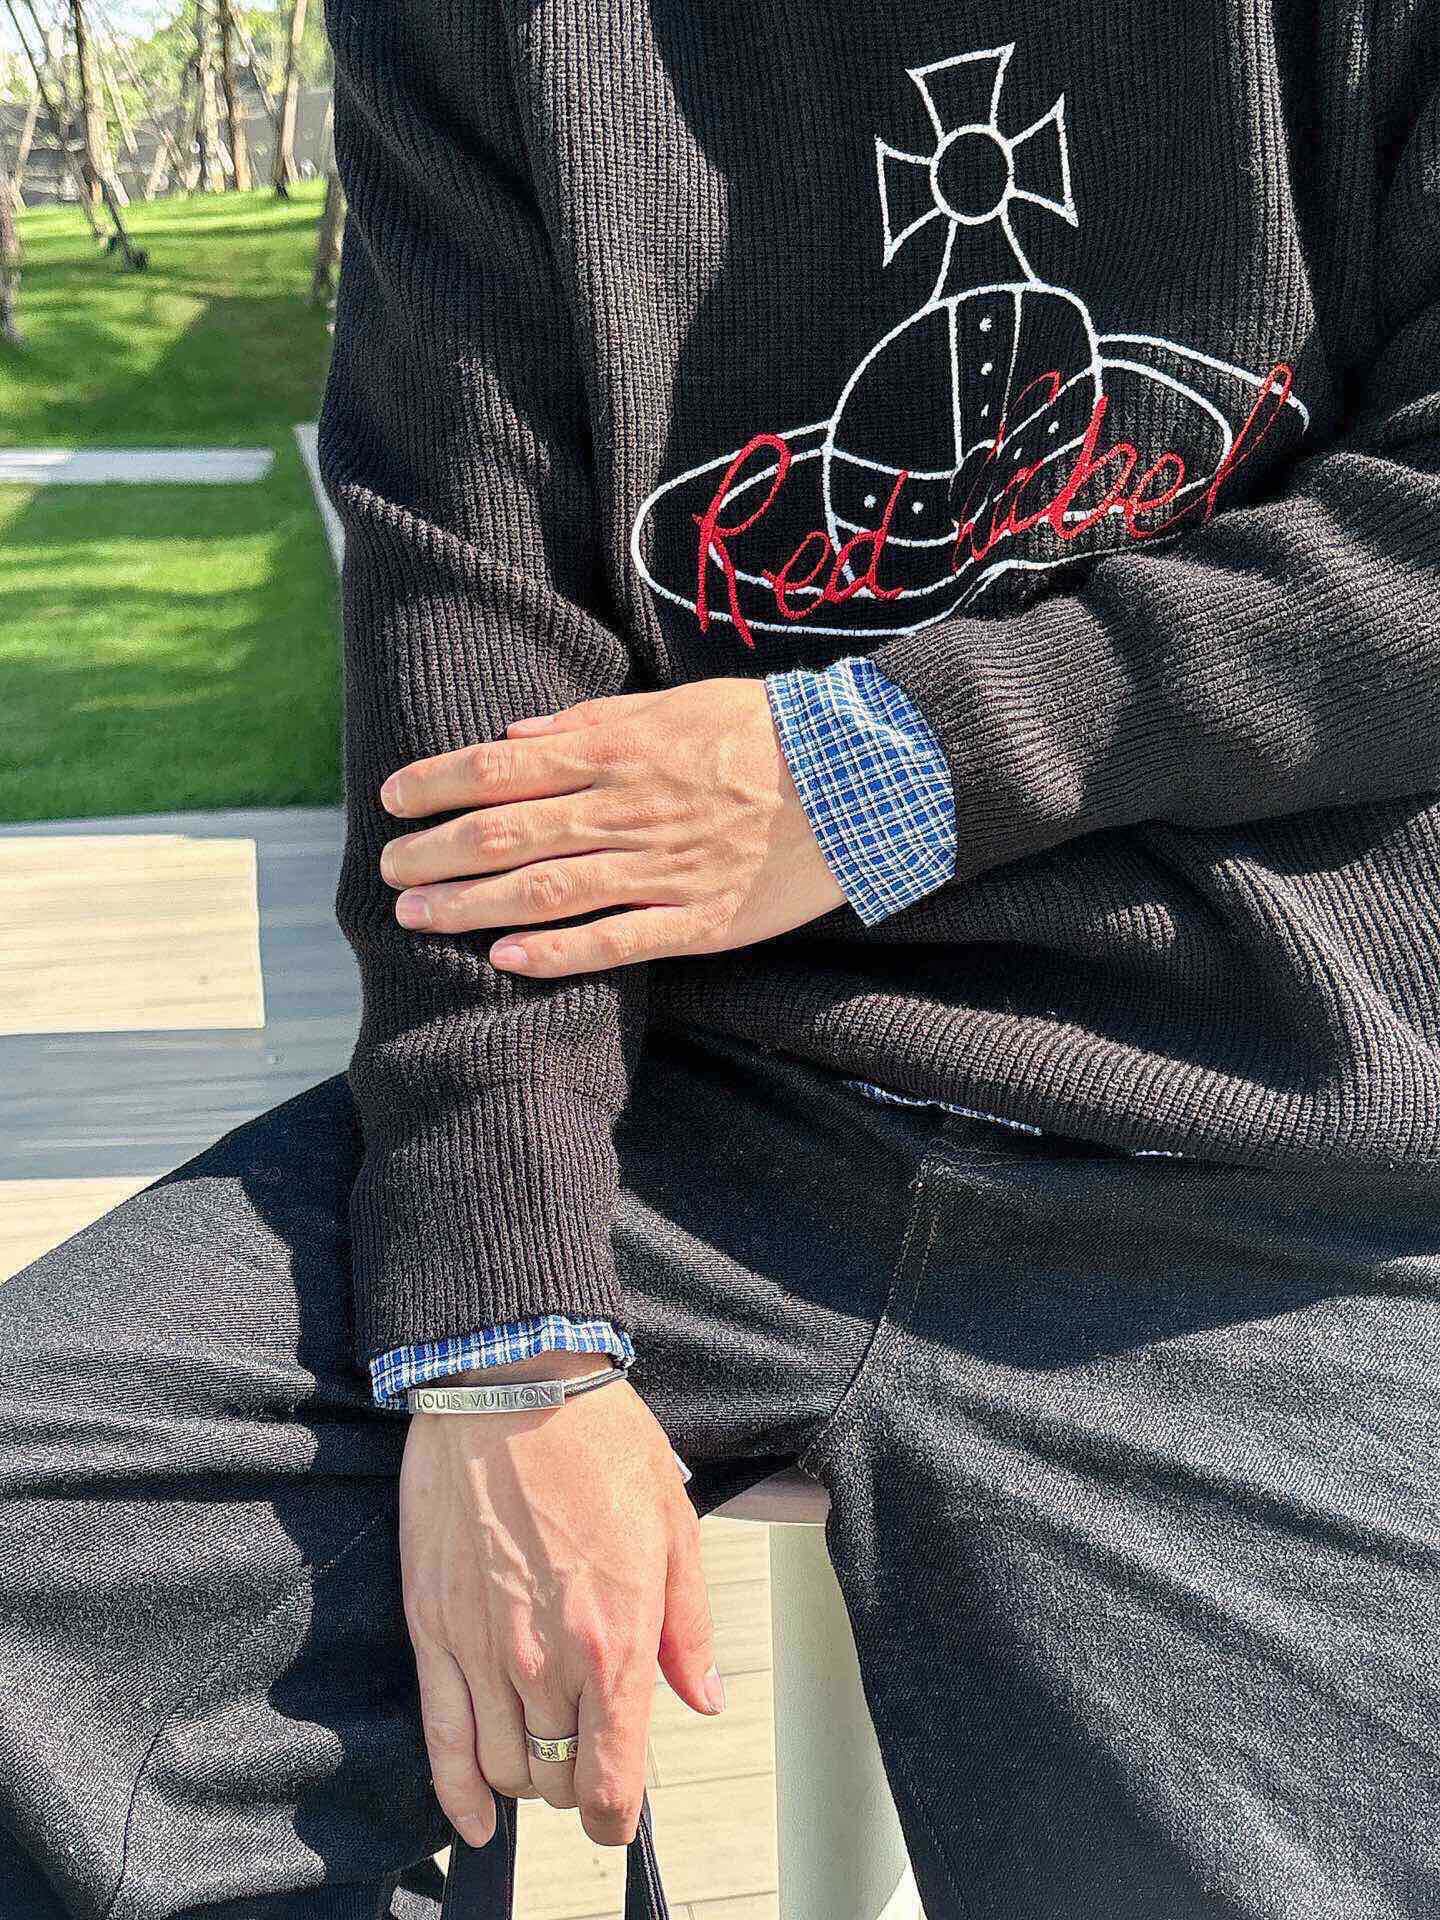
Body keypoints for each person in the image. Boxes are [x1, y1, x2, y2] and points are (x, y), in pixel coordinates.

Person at [3, 4, 1440, 1916]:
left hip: (1263, 1121)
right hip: (681, 1112)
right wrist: (507, 1336)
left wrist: (884, 768)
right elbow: (472, 659)